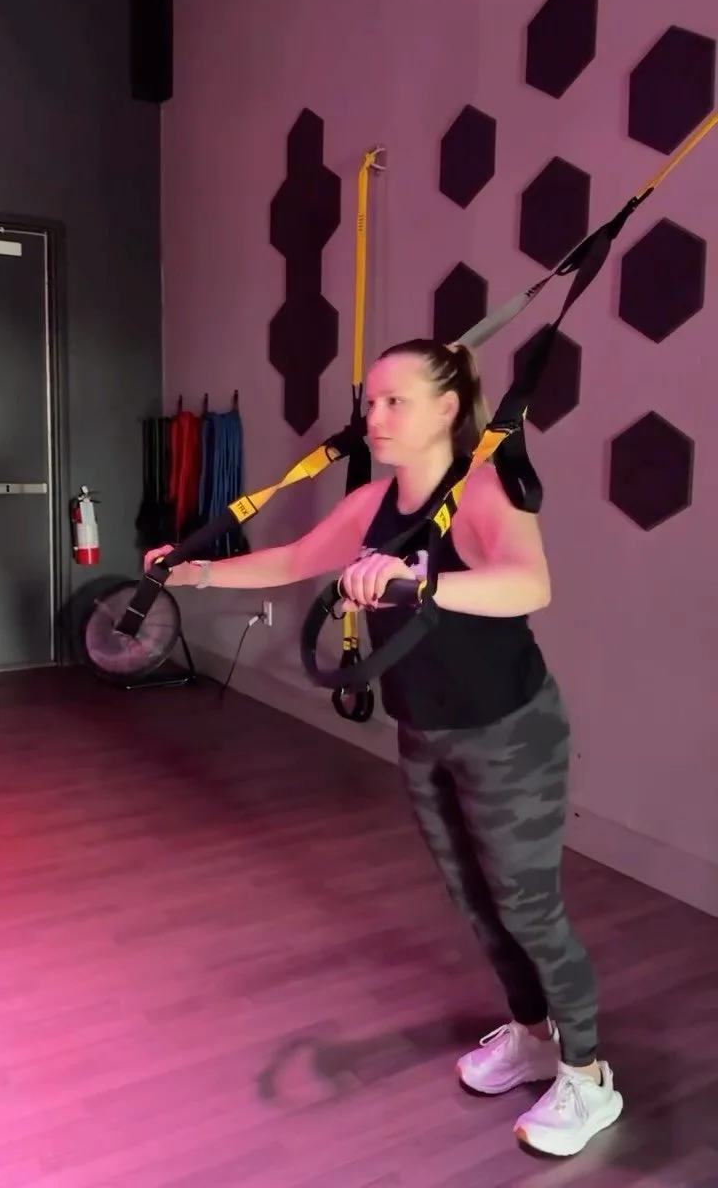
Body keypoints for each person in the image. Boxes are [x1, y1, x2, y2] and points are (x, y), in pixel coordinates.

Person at [145, 339, 623, 1157]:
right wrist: (194, 574)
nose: (375, 416)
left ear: (448, 408)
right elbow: (295, 559)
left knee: (528, 907)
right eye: (370, 402)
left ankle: (587, 1074)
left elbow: (528, 584)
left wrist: (415, 581)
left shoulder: (481, 488)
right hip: (423, 729)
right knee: (475, 901)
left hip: (509, 731)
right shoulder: (374, 502)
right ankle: (533, 1035)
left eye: (396, 401)